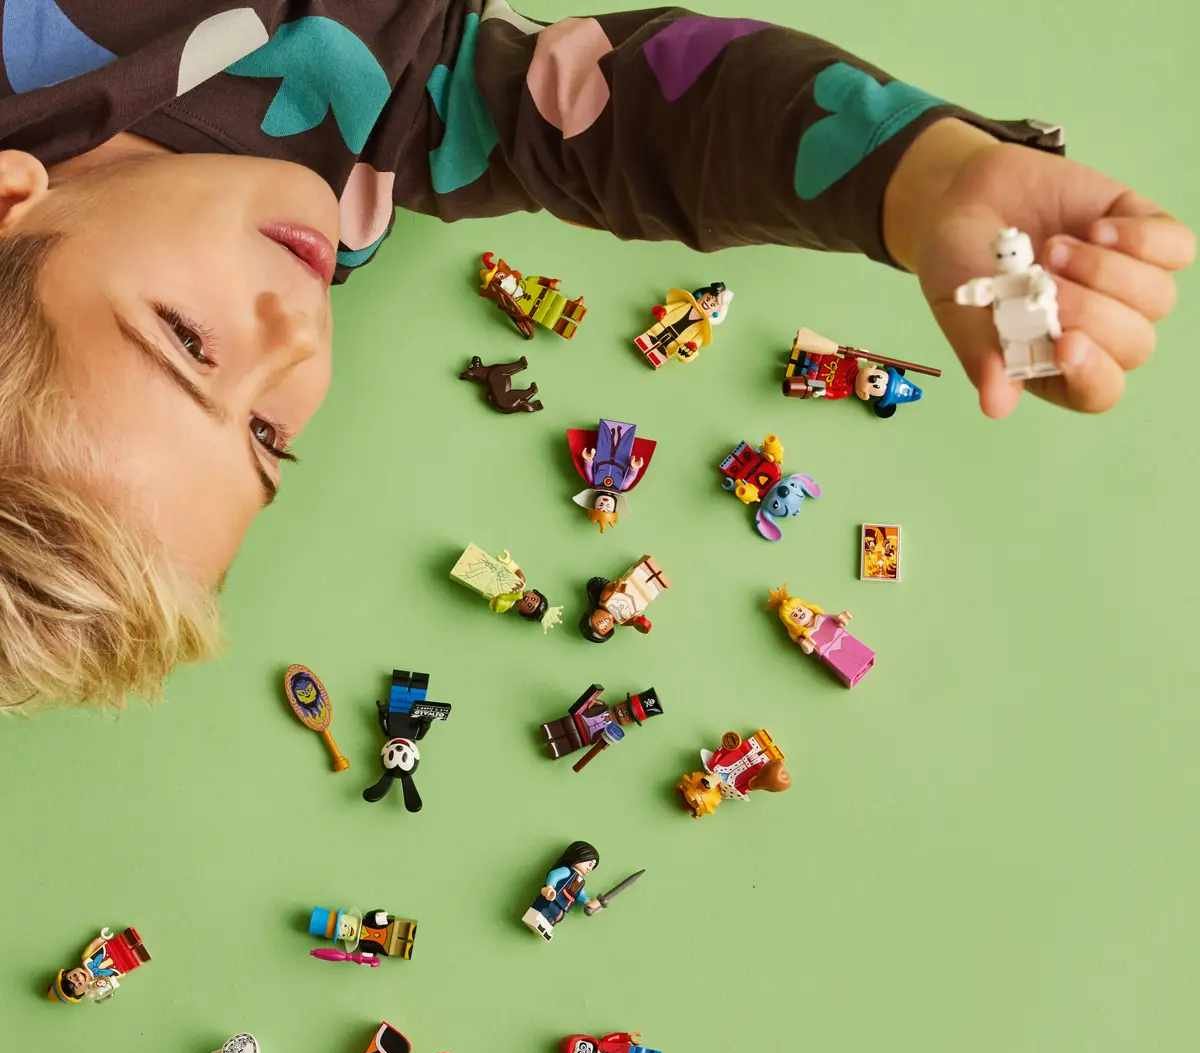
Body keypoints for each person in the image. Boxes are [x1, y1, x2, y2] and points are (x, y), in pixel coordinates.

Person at [0, 2, 1191, 709]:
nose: (298, 339)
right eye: (269, 436)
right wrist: (925, 185)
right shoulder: (351, 188)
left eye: (188, 342)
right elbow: (608, 116)